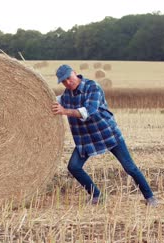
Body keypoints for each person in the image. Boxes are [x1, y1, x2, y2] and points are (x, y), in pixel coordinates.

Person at [51, 64, 158, 207]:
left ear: (75, 73)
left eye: (69, 78)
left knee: (130, 167)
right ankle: (97, 196)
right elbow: (52, 100)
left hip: (107, 134)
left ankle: (150, 198)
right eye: (64, 81)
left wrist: (65, 111)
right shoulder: (67, 95)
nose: (68, 83)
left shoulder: (92, 87)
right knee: (74, 166)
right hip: (86, 139)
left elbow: (88, 111)